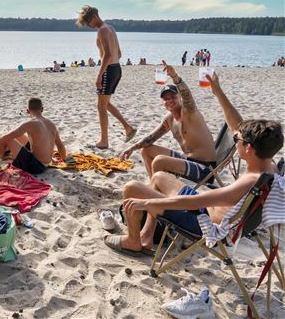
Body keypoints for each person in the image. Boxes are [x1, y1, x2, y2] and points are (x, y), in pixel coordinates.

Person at [105, 73, 283, 255]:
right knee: (158, 177)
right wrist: (218, 92)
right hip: (205, 210)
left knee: (132, 188)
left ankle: (133, 241)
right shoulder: (270, 167)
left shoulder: (249, 182)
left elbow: (193, 202)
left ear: (249, 148)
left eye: (237, 139)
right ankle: (147, 235)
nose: (235, 137)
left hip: (201, 223)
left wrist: (146, 203)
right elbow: (238, 125)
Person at [121, 61, 216, 181]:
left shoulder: (189, 113)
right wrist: (131, 148)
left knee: (160, 161)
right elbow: (151, 138)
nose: (170, 100)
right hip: (187, 160)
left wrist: (174, 77)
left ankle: (157, 191)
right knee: (147, 150)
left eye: (173, 97)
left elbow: (187, 96)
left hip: (205, 169)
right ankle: (154, 186)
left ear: (180, 98)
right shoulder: (169, 119)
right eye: (166, 99)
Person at [76, 5, 136, 149]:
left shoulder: (102, 30)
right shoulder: (111, 28)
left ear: (94, 17)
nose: (88, 26)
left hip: (109, 70)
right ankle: (128, 128)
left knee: (101, 106)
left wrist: (99, 75)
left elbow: (107, 54)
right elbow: (119, 53)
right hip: (117, 69)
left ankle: (104, 141)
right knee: (106, 103)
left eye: (88, 22)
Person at [0, 98, 67, 174]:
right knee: (18, 136)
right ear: (42, 109)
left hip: (35, 167)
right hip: (46, 162)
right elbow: (60, 145)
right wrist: (64, 159)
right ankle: (3, 152)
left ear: (27, 111)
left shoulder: (30, 123)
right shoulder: (51, 124)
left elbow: (6, 138)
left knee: (7, 139)